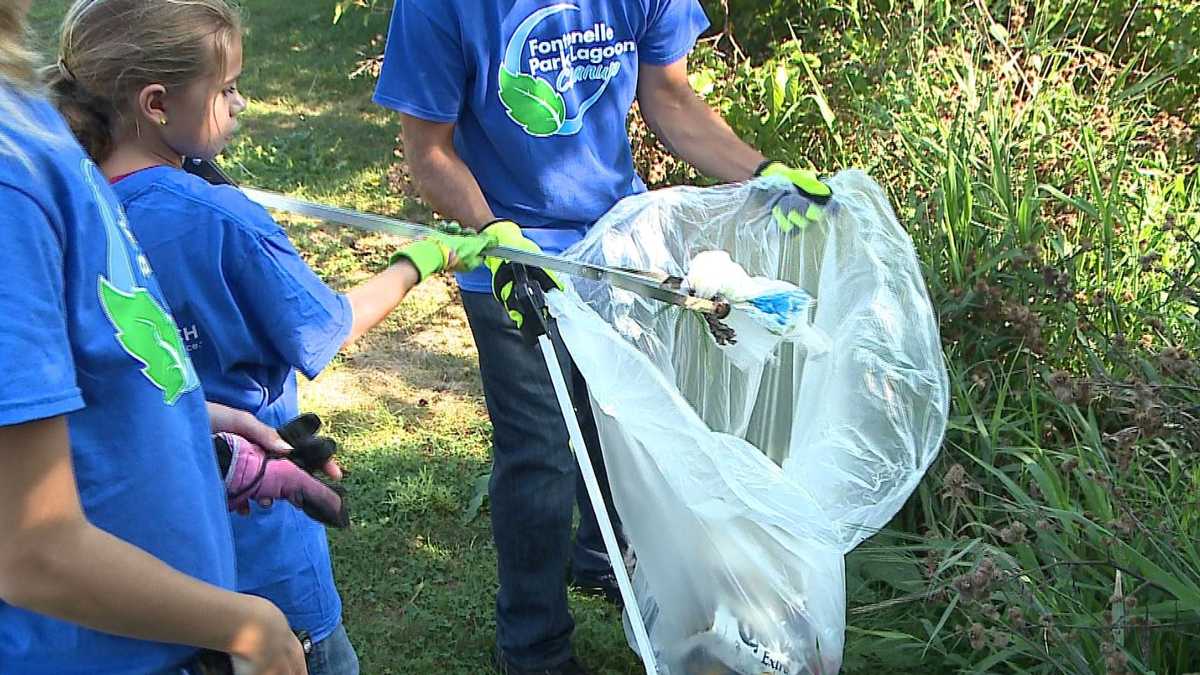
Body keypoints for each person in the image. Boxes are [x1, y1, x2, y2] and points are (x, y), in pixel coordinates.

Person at [372, 1, 833, 672]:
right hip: (511, 251)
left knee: (625, 417)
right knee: (538, 453)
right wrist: (496, 236)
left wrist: (758, 173)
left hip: (619, 240)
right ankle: (532, 644)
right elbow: (429, 152)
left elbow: (669, 98)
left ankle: (602, 555)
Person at [46, 1, 496, 673]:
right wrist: (425, 259)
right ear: (157, 103)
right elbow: (325, 326)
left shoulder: (60, 204)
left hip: (137, 566)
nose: (242, 102)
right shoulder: (221, 218)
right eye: (226, 90)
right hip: (257, 546)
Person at [0, 1, 310, 673]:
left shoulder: (25, 126)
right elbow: (31, 548)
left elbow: (51, 388)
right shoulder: (9, 172)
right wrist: (248, 623)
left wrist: (176, 417)